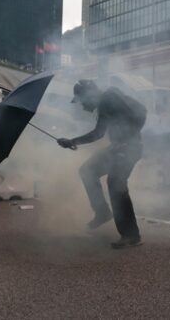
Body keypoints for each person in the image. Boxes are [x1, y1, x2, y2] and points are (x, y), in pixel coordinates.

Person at [57, 80, 147, 249]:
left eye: (82, 100)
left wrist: (72, 141)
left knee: (115, 183)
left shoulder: (107, 99)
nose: (83, 105)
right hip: (118, 148)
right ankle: (102, 212)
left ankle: (131, 235)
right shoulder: (109, 99)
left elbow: (98, 134)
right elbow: (100, 133)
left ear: (89, 94)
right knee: (87, 170)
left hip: (129, 149)